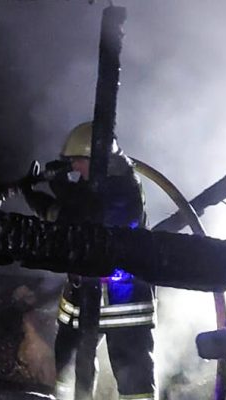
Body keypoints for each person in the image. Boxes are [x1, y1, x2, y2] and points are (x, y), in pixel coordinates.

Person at [11, 121, 156, 400]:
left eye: (78, 160)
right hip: (82, 294)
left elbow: (85, 217)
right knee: (68, 365)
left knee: (133, 376)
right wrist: (34, 192)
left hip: (124, 299)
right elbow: (68, 212)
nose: (75, 167)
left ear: (100, 160)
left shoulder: (125, 188)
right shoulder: (92, 186)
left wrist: (57, 185)